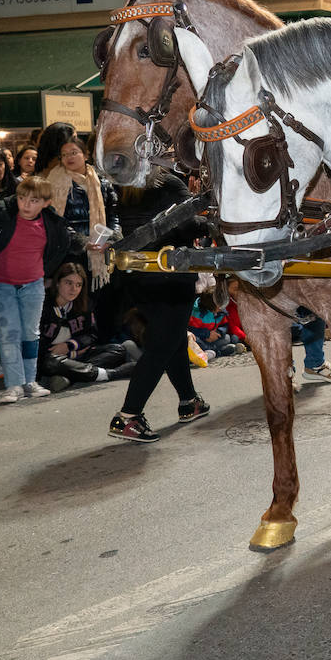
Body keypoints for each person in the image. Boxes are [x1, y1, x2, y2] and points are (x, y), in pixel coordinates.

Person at [107, 172, 209, 443]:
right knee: (162, 346)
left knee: (172, 338)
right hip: (172, 273)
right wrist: (208, 221)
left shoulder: (126, 185)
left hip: (139, 276)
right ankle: (129, 415)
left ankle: (189, 400)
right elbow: (187, 225)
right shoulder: (169, 183)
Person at [0, 177, 73, 404]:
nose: (26, 204)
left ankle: (29, 382)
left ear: (45, 202)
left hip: (33, 284)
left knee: (30, 334)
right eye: (22, 198)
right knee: (9, 334)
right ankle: (13, 385)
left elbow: (67, 241)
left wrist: (47, 272)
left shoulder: (51, 222)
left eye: (34, 200)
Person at [38, 261, 138, 392]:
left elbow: (92, 335)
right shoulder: (42, 306)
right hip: (52, 359)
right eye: (68, 283)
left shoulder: (84, 305)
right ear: (57, 283)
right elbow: (38, 344)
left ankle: (69, 377)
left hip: (77, 356)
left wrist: (70, 347)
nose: (74, 289)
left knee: (118, 349)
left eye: (78, 285)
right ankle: (111, 374)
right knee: (50, 361)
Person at [43, 135, 117, 287]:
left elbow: (113, 216)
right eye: (64, 155)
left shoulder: (102, 182)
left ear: (86, 154)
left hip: (101, 250)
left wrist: (111, 240)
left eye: (74, 152)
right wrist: (82, 243)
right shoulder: (54, 182)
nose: (68, 157)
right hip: (68, 253)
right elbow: (54, 220)